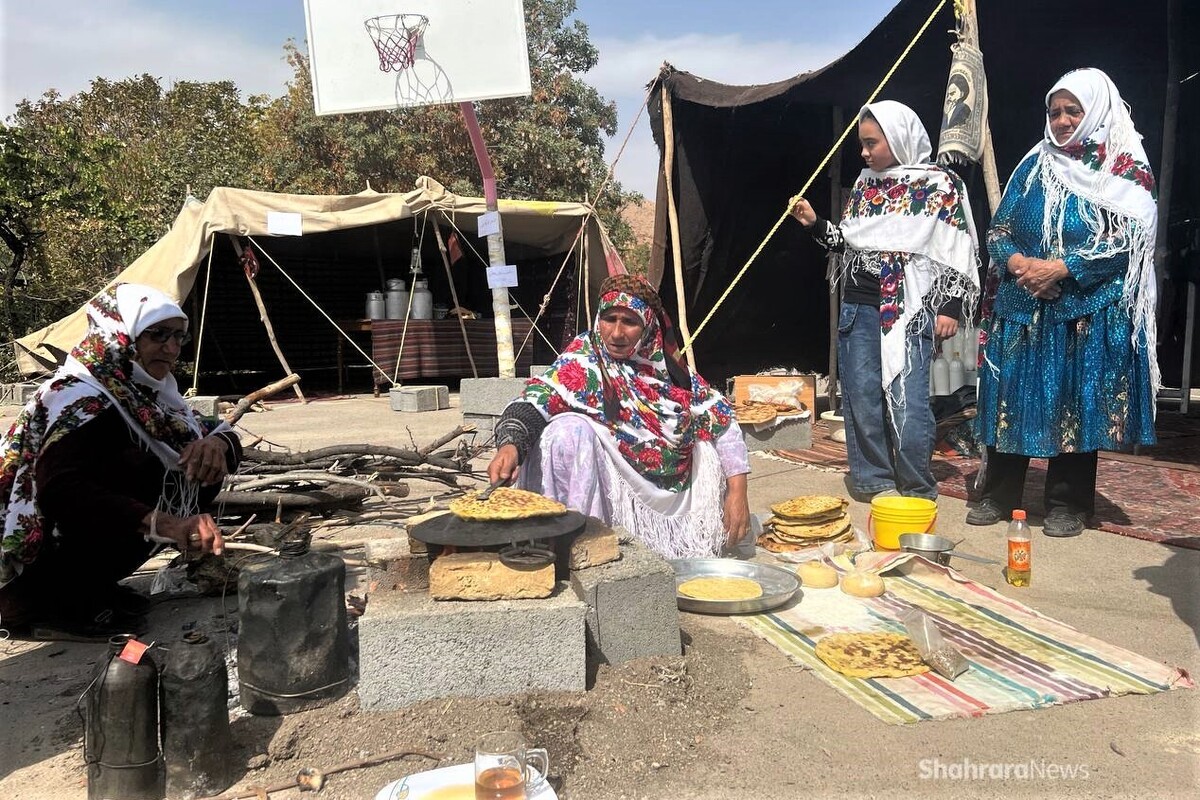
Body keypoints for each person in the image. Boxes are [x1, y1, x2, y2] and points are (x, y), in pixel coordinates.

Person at [969, 68, 1158, 537]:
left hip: (1084, 309)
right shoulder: (1035, 164)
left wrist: (1064, 268)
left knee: (1074, 401)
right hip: (1023, 303)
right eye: (1055, 112)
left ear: (1096, 109)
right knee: (1010, 398)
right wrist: (1018, 265)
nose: (1063, 120)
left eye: (1073, 111)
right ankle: (999, 494)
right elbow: (1000, 228)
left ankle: (1068, 504)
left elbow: (1130, 240)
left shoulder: (1122, 168)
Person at [0, 283, 241, 638]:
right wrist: (167, 524)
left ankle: (90, 587)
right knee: (145, 474)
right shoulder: (77, 396)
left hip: (74, 539)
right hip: (33, 560)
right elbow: (62, 492)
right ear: (120, 336)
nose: (172, 349)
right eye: (158, 335)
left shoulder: (147, 394)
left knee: (195, 462)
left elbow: (219, 432)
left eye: (179, 338)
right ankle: (48, 603)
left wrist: (217, 444)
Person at [791, 101, 980, 500]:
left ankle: (915, 485)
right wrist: (815, 224)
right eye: (862, 144)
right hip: (859, 307)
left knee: (909, 399)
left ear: (898, 139)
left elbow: (956, 250)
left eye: (871, 143)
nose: (863, 152)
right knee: (861, 397)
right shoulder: (865, 185)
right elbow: (847, 240)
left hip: (910, 309)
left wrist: (948, 308)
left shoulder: (940, 185)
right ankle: (872, 480)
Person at [487, 274, 750, 559]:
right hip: (607, 491)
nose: (616, 333)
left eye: (629, 322)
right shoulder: (583, 360)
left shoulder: (672, 373)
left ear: (648, 326)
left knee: (703, 443)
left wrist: (738, 493)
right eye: (609, 318)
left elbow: (722, 420)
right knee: (567, 431)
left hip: (671, 498)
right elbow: (536, 399)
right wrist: (511, 444)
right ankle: (577, 541)